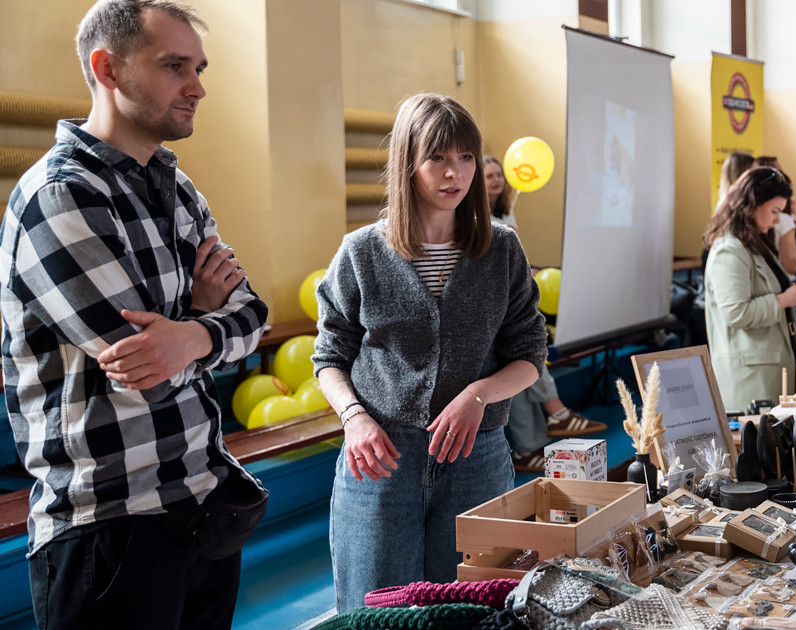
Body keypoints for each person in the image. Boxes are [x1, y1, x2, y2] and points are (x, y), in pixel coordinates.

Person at [2, 2, 270, 627]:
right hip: (110, 527)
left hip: (201, 505)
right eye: (174, 66)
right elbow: (142, 361)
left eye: (199, 67)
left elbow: (252, 313)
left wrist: (192, 333)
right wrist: (198, 324)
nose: (198, 87)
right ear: (108, 69)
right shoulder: (60, 194)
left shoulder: (177, 189)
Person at [312, 93, 547, 610]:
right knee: (376, 605)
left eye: (465, 157)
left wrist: (479, 396)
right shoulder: (362, 253)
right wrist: (353, 417)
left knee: (472, 605)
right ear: (407, 162)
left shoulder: (502, 250)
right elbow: (329, 356)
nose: (454, 174)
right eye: (437, 157)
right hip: (379, 456)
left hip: (475, 455)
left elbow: (530, 352)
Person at [482, 154, 606, 472]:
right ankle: (556, 411)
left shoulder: (503, 211)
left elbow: (514, 257)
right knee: (523, 353)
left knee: (517, 370)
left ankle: (528, 448)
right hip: (493, 304)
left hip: (511, 295)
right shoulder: (476, 216)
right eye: (488, 175)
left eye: (499, 174)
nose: (496, 180)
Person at [703, 167, 796, 411]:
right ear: (751, 205)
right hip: (750, 378)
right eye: (774, 211)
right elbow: (737, 313)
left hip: (768, 366)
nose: (777, 219)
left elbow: (764, 292)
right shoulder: (729, 249)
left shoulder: (753, 243)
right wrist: (784, 300)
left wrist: (794, 293)